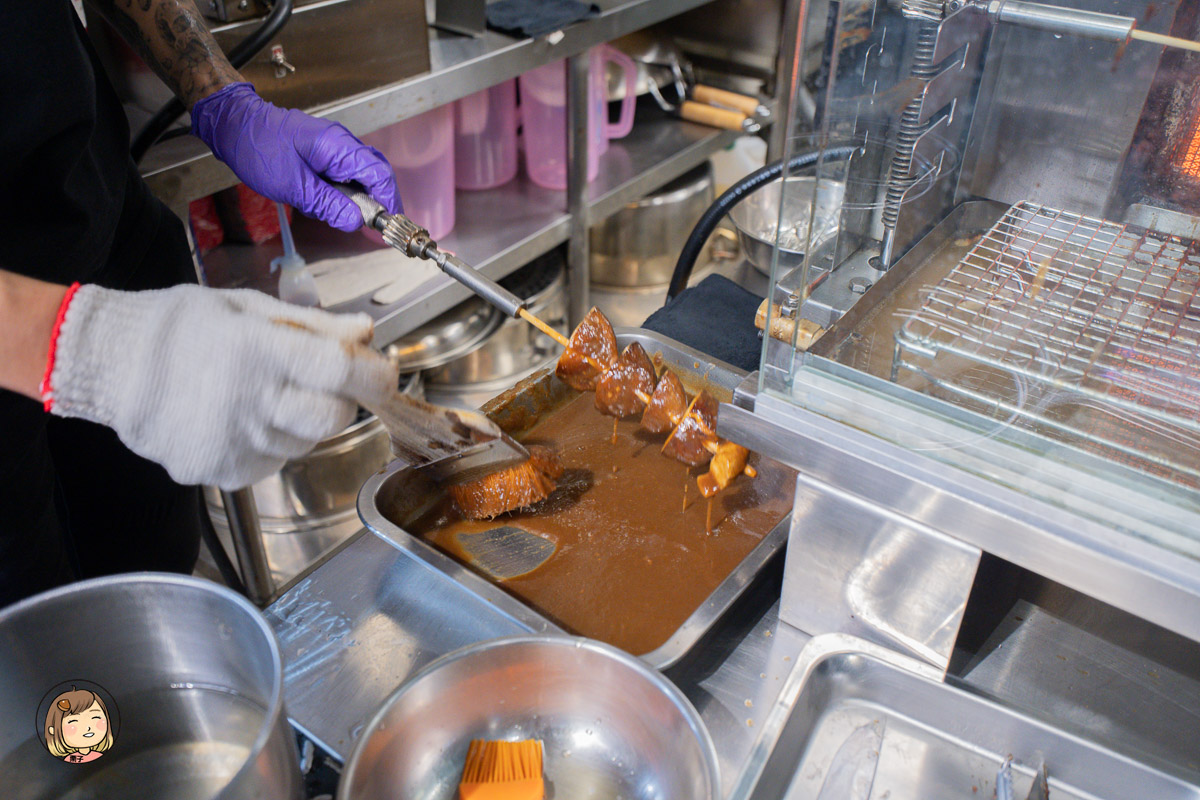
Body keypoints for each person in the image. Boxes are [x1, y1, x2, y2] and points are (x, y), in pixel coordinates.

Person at [0, 0, 403, 607]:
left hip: (95, 214)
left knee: (151, 574)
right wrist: (80, 344)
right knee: (39, 663)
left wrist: (219, 94)